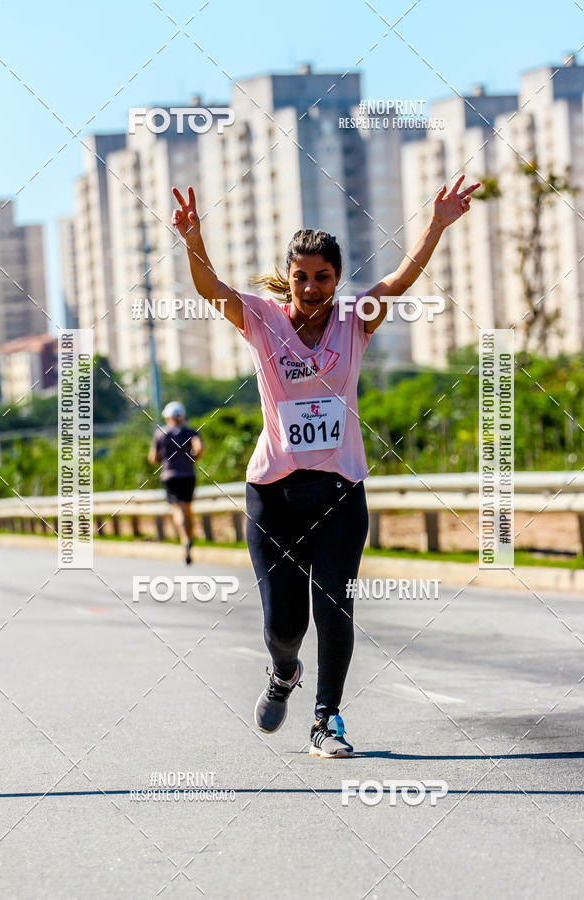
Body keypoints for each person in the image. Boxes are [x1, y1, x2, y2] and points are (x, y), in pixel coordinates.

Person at [171, 175, 479, 757]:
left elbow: (401, 278)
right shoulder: (261, 319)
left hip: (339, 490)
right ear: (288, 278)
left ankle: (327, 718)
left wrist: (436, 224)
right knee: (283, 627)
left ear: (337, 279)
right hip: (274, 495)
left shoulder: (355, 319)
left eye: (323, 277)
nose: (312, 287)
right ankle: (283, 672)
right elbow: (211, 288)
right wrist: (193, 239)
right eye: (302, 277)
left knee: (335, 603)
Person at [148, 400, 204, 564]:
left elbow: (152, 457)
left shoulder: (160, 434)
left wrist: (162, 458)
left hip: (169, 476)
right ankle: (190, 537)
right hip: (188, 475)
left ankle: (185, 539)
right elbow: (199, 448)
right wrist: (193, 458)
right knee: (187, 508)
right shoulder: (191, 433)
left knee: (177, 509)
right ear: (182, 416)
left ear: (167, 417)